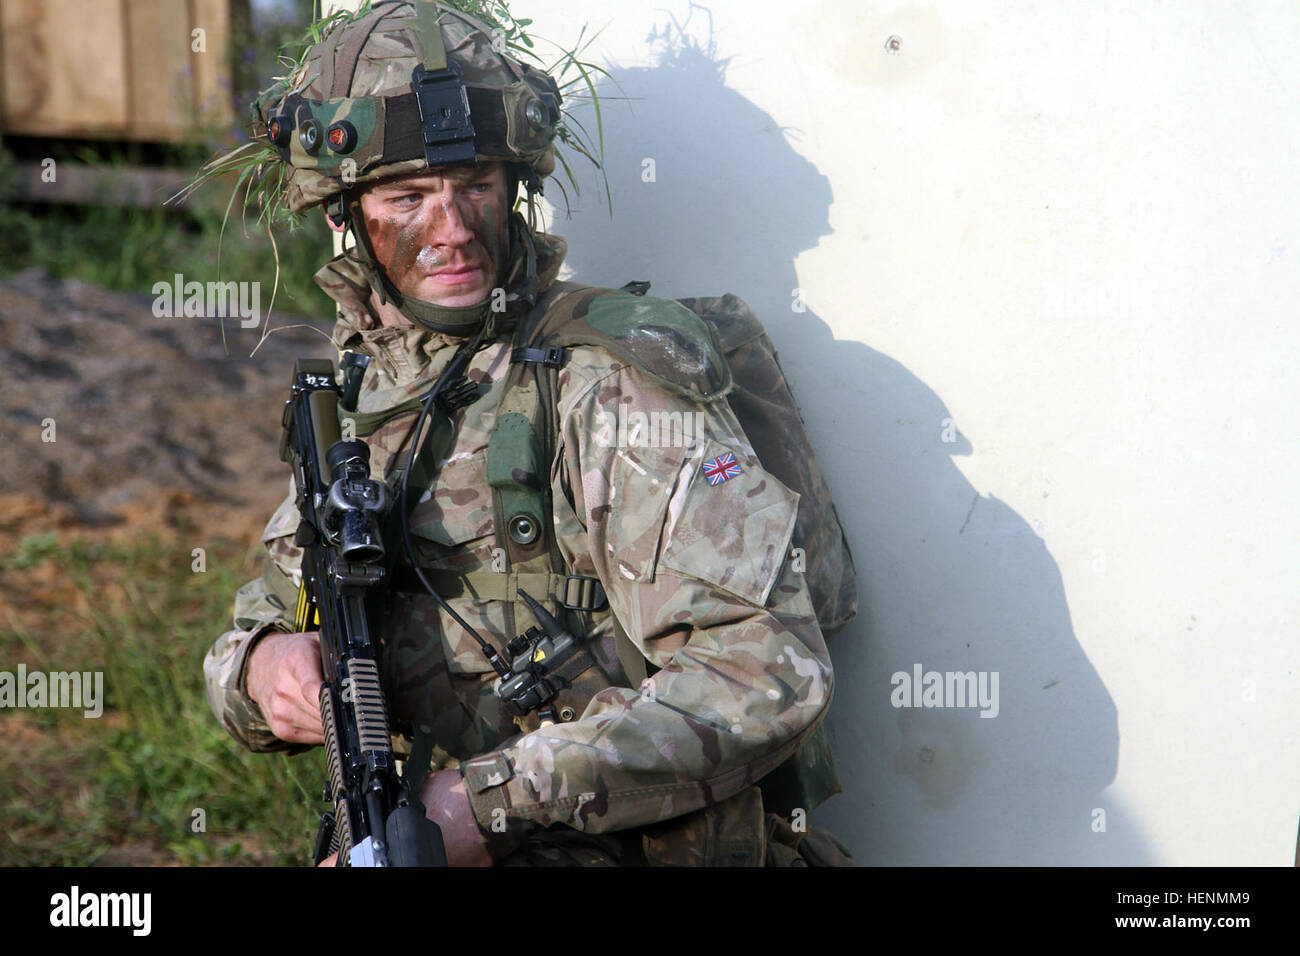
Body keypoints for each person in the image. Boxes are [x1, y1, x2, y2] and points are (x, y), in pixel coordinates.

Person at [203, 0, 848, 866]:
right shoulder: (367, 389)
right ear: (343, 215)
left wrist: (488, 801)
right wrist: (257, 671)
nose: (454, 229)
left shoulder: (602, 380)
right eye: (408, 198)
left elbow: (765, 671)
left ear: (517, 188)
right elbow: (275, 607)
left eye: (476, 186)